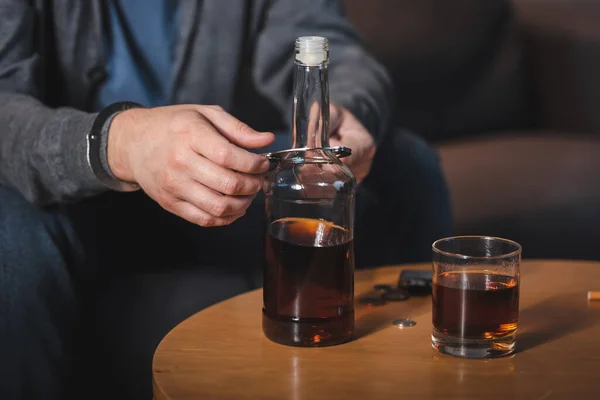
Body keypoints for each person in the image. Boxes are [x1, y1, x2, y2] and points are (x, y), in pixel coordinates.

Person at [0, 1, 452, 399]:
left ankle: (426, 374)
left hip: (216, 189)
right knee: (11, 232)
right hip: (70, 198)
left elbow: (328, 42)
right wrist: (120, 143)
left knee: (405, 160)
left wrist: (348, 112)